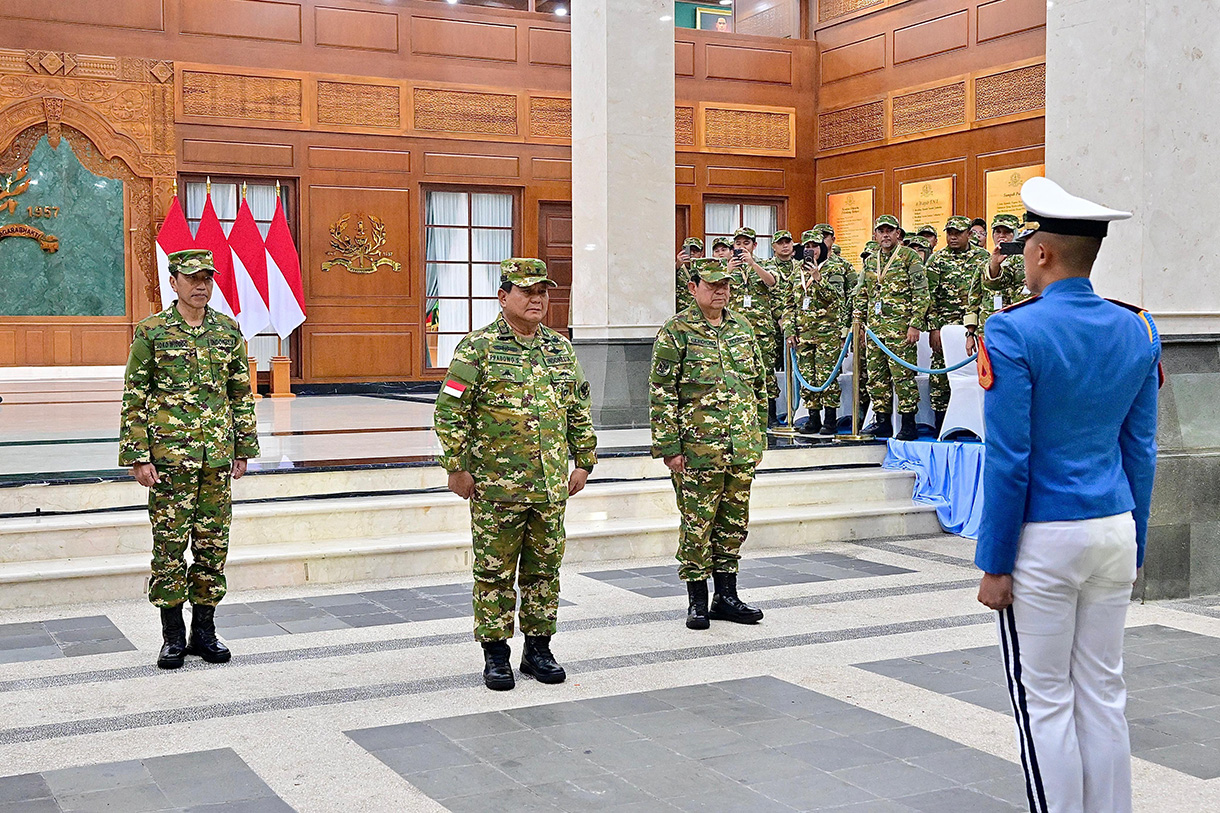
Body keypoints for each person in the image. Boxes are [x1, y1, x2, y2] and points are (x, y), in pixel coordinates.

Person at [975, 177, 1156, 813]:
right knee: (1104, 691)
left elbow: (1009, 459)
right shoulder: (1138, 328)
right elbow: (1141, 449)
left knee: (1045, 699)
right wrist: (1138, 539)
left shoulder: (1012, 331)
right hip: (1114, 525)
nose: (1021, 258)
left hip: (1044, 538)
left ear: (1043, 253)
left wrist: (995, 562)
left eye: (1025, 247)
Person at [433, 258, 597, 691]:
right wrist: (456, 467)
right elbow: (450, 412)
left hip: (549, 487)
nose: (538, 299)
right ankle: (496, 655)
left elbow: (577, 409)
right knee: (494, 572)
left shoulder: (560, 348)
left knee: (545, 571)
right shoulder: (477, 348)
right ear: (503, 296)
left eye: (543, 291)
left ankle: (538, 649)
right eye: (528, 291)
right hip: (495, 487)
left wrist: (583, 460)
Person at [119, 249, 258, 670]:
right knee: (169, 548)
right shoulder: (152, 331)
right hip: (170, 462)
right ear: (174, 280)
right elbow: (134, 398)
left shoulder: (227, 331)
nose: (202, 285)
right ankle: (172, 637)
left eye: (208, 278)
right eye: (192, 277)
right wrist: (138, 456)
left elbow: (240, 393)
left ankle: (205, 632)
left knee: (213, 546)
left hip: (216, 460)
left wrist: (243, 448)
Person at [650, 257, 768, 630]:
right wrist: (670, 447)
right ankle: (698, 599)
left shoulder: (742, 328)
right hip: (698, 449)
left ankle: (727, 596)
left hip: (740, 445)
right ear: (693, 288)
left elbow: (759, 386)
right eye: (713, 285)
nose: (721, 291)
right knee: (698, 523)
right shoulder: (676, 331)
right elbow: (661, 392)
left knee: (733, 522)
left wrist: (758, 436)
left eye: (726, 285)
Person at [852, 215, 929, 440]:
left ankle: (908, 422)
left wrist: (915, 324)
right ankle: (882, 420)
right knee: (876, 377)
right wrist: (860, 325)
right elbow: (863, 294)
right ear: (875, 235)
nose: (885, 235)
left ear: (898, 234)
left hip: (900, 329)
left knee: (902, 376)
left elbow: (921, 292)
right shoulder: (870, 261)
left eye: (890, 230)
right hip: (875, 329)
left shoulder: (909, 256)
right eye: (881, 231)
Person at [924, 216, 989, 431]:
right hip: (946, 326)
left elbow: (987, 290)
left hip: (976, 324)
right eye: (949, 233)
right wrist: (934, 328)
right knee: (942, 371)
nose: (952, 237)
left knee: (981, 369)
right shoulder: (937, 260)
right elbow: (929, 297)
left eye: (958, 233)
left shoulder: (982, 257)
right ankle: (941, 420)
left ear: (969, 234)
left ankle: (981, 420)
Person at [785, 229, 848, 436]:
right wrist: (789, 330)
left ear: (821, 248)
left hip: (826, 333)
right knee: (807, 377)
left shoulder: (834, 268)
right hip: (803, 333)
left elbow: (837, 298)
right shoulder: (796, 272)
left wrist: (818, 278)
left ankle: (830, 419)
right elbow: (788, 304)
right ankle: (813, 417)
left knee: (826, 376)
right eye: (807, 246)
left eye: (814, 246)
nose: (810, 250)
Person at [725, 227, 781, 425]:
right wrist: (729, 270)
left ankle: (770, 414)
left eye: (746, 243)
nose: (741, 247)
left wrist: (753, 264)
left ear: (754, 246)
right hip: (734, 330)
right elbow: (714, 287)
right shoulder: (726, 267)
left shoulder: (765, 264)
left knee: (765, 370)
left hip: (761, 330)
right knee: (736, 370)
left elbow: (772, 282)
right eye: (738, 244)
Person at [966, 214, 1032, 353]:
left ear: (1015, 233)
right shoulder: (985, 263)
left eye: (1007, 232)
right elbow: (974, 300)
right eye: (998, 231)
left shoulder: (1030, 261)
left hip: (1020, 329)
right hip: (989, 330)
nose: (1001, 236)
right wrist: (970, 333)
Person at [765, 230, 798, 426]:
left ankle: (797, 412)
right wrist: (778, 317)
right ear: (773, 247)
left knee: (796, 370)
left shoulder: (801, 266)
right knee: (770, 371)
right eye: (780, 243)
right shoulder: (766, 267)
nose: (785, 246)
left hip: (794, 324)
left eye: (788, 242)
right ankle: (772, 413)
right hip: (770, 324)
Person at [676, 237, 704, 314]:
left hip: (701, 313)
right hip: (681, 313)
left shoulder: (704, 270)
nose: (691, 253)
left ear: (701, 254)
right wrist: (677, 265)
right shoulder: (677, 269)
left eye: (695, 251)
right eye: (689, 250)